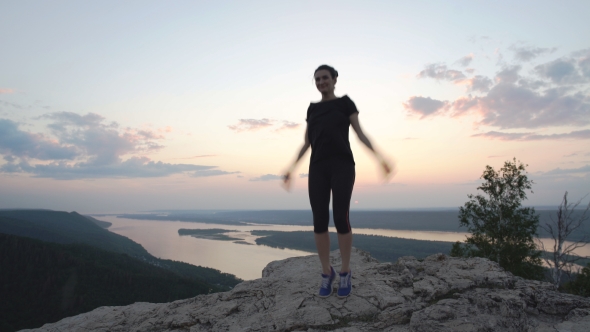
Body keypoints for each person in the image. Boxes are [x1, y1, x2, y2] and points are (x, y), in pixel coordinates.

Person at [282, 64, 392, 298]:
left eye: (325, 78)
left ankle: (345, 271)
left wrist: (380, 158)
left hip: (342, 165)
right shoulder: (312, 109)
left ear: (334, 80)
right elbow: (306, 142)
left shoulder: (345, 103)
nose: (321, 82)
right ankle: (326, 272)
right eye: (317, 79)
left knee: (341, 218)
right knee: (319, 221)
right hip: (318, 167)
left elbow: (360, 134)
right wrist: (291, 168)